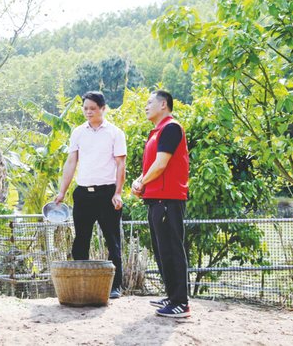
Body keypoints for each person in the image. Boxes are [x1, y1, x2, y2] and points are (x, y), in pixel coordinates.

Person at [53, 91, 126, 299]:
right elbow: (70, 163)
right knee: (81, 241)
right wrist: (62, 192)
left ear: (103, 109)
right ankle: (80, 284)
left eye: (92, 108)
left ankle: (115, 286)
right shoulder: (77, 132)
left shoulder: (115, 133)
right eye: (85, 108)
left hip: (107, 193)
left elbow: (121, 165)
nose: (88, 112)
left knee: (112, 242)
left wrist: (118, 193)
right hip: (82, 194)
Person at [131, 90, 190, 318]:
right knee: (161, 248)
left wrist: (140, 182)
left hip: (169, 198)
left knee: (173, 249)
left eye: (149, 102)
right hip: (156, 197)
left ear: (163, 104)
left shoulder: (171, 128)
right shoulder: (156, 131)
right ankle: (171, 295)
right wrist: (142, 184)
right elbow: (153, 167)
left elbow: (160, 165)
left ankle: (180, 303)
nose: (145, 106)